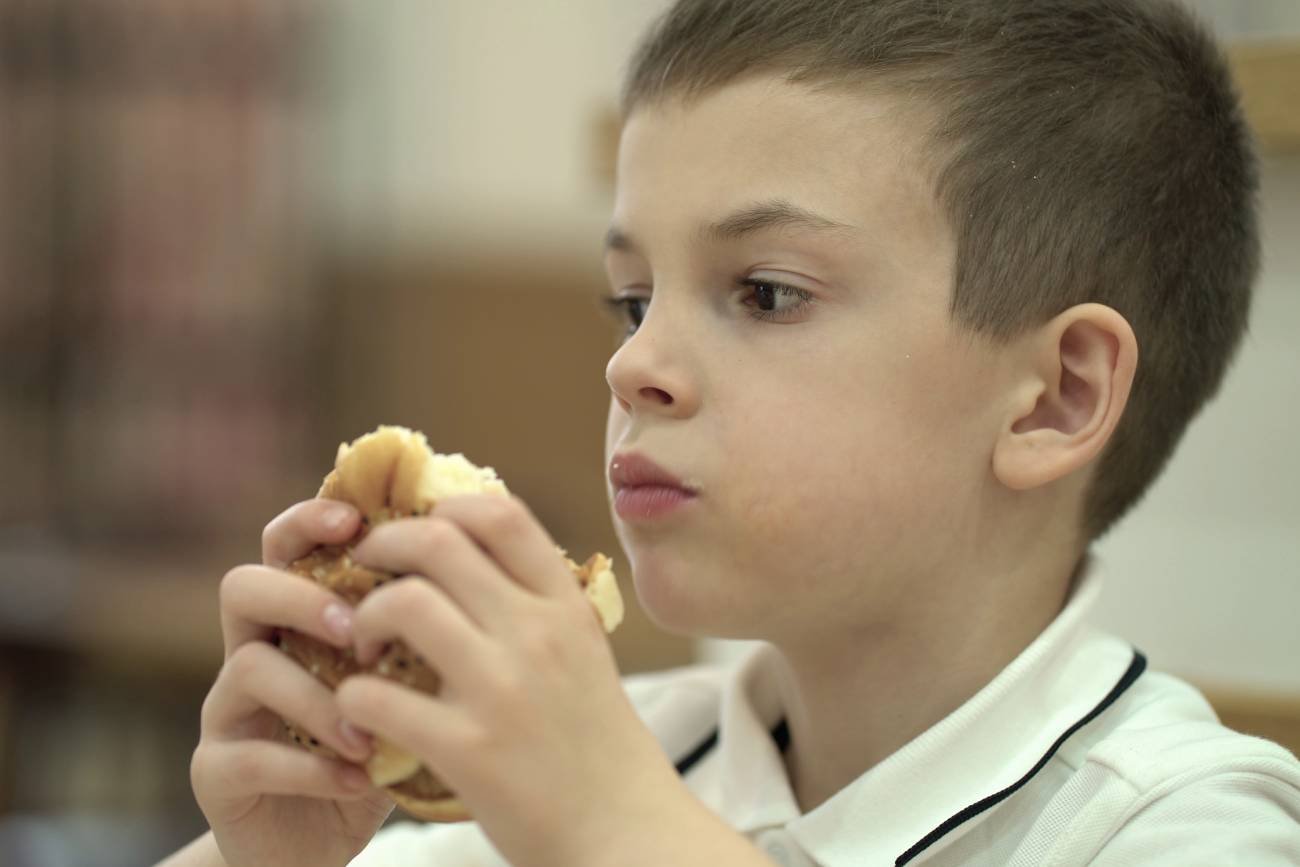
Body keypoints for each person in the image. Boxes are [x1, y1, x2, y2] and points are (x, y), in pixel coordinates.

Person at [159, 1, 1300, 865]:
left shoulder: (1183, 822)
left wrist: (610, 822)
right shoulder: (580, 762)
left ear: (1055, 397)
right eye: (632, 298)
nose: (632, 363)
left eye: (763, 292)